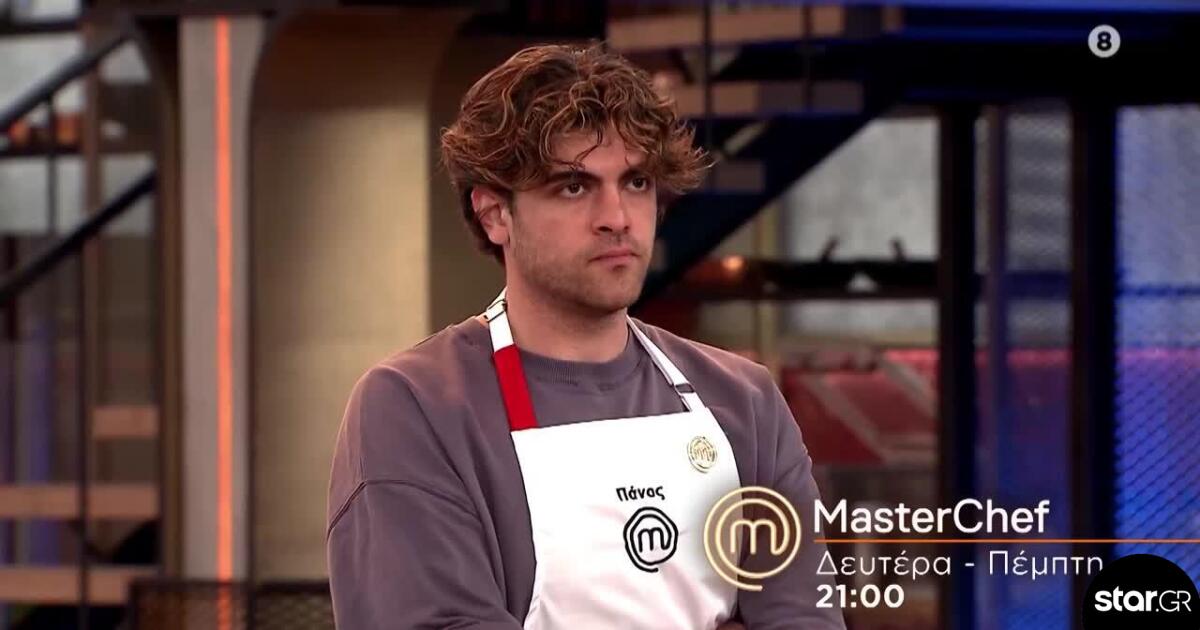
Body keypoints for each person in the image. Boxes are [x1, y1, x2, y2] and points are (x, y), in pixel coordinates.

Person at [326, 43, 845, 629]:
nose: (617, 217)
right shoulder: (416, 407)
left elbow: (806, 619)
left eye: (636, 182)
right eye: (574, 186)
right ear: (495, 214)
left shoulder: (744, 401)